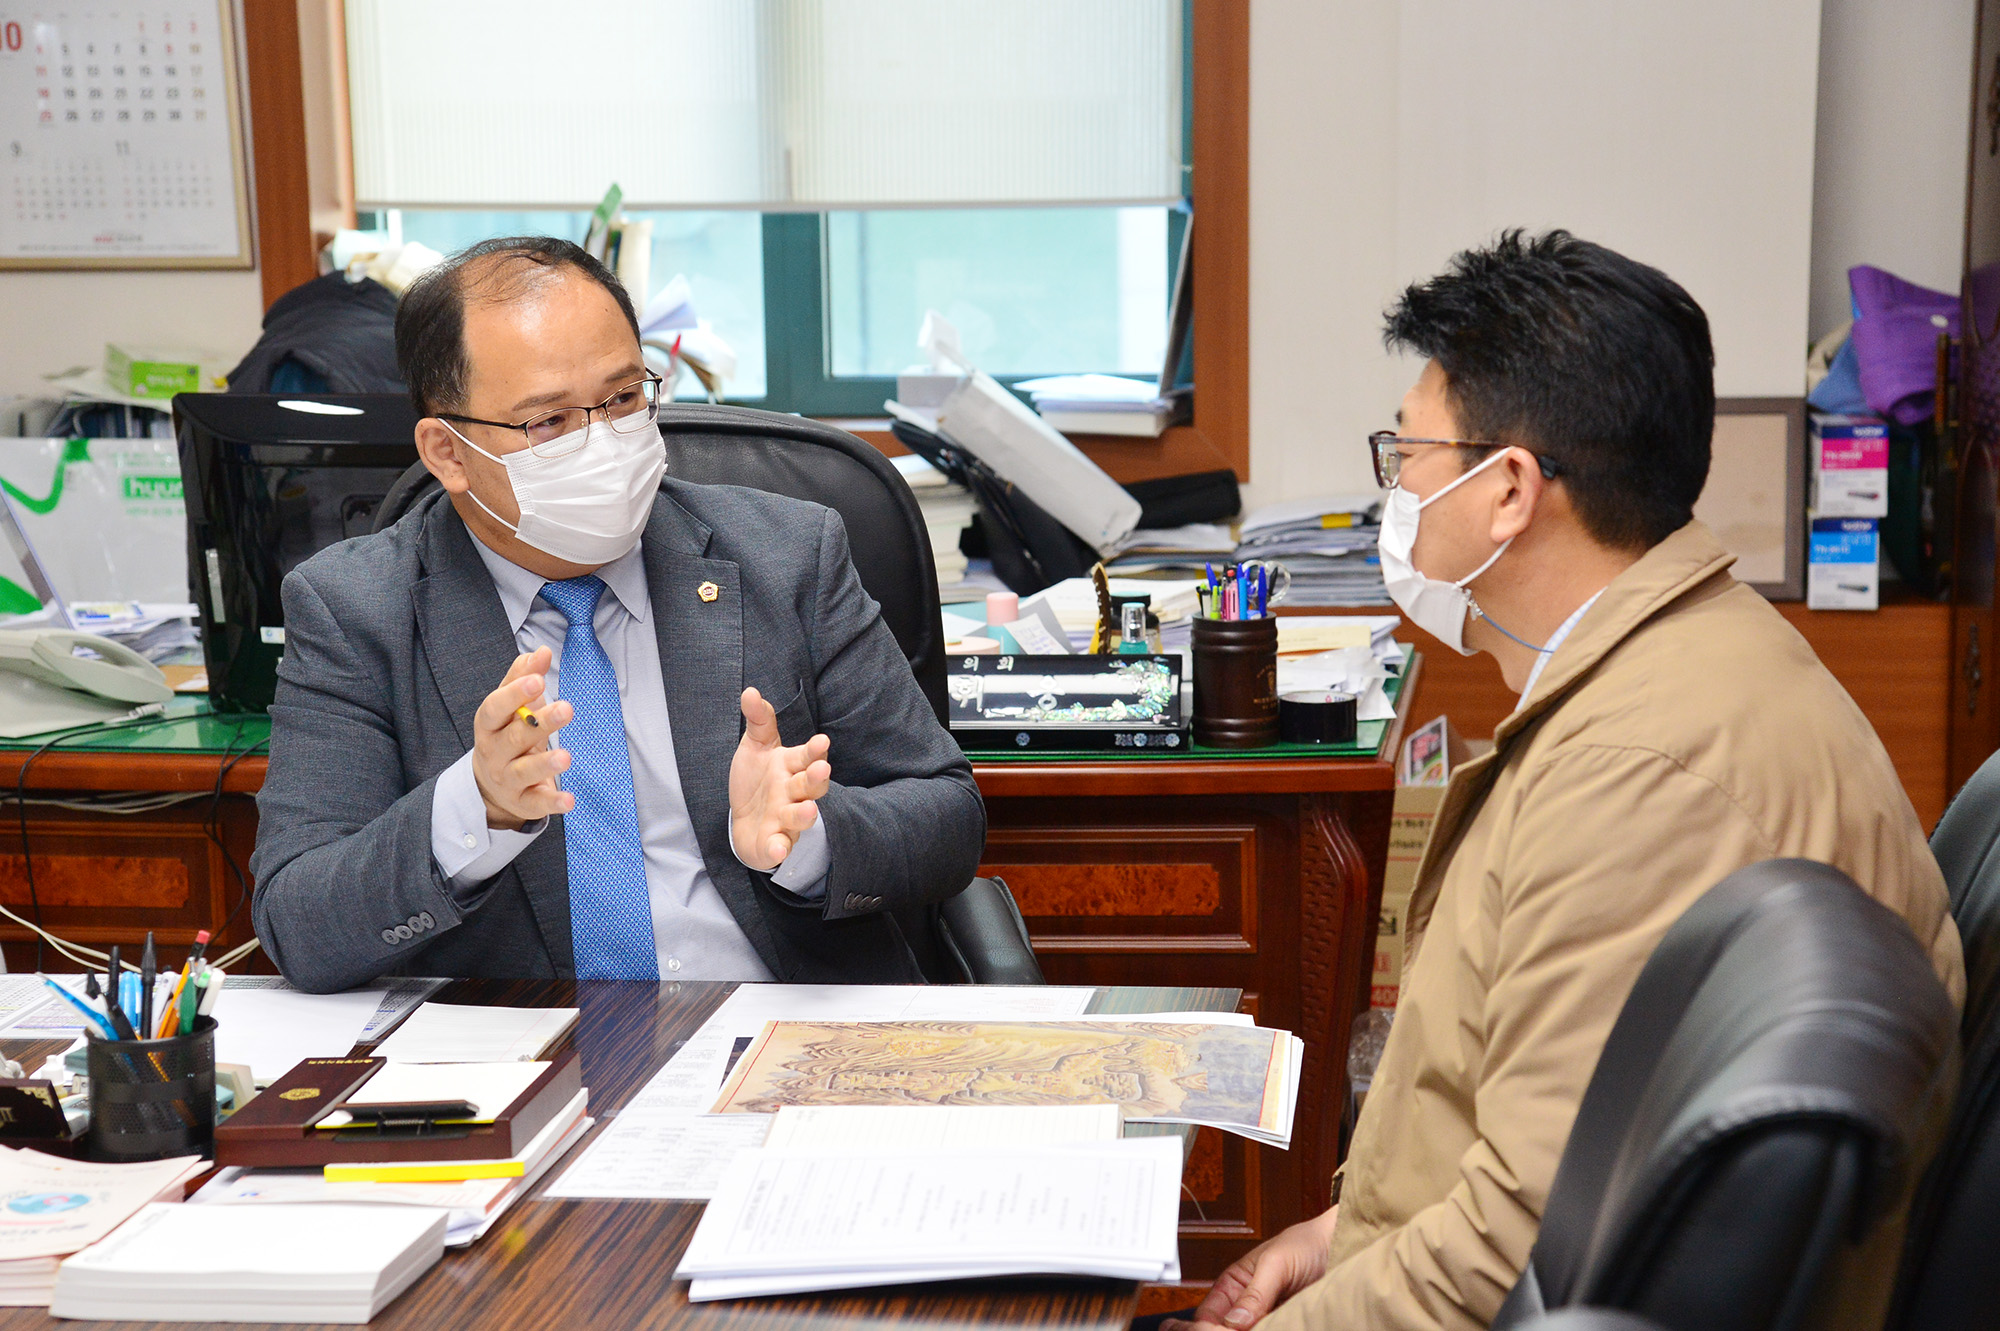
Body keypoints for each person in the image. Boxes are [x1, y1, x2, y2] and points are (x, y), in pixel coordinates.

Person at [1169, 231, 1964, 1331]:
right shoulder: (1668, 665)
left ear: (1508, 489)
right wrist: (1341, 1239)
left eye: (1406, 452)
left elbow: (1519, 1246)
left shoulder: (1641, 775)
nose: (1396, 488)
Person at [250, 236, 986, 993]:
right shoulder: (354, 609)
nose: (602, 442)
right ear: (448, 453)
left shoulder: (788, 554)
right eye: (548, 422)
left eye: (625, 398)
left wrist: (810, 836)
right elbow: (300, 924)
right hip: (531, 1044)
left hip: (777, 1018)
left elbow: (947, 817)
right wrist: (475, 810)